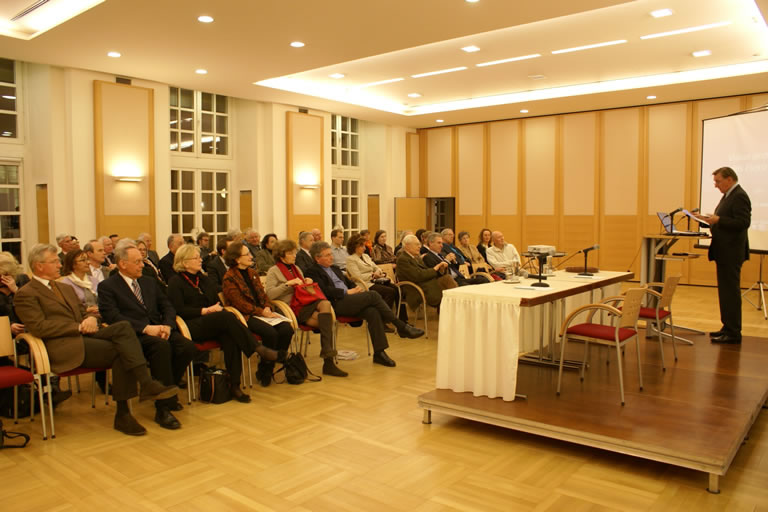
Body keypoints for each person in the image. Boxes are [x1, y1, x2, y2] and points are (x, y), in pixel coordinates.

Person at [15, 244, 178, 436]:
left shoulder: (63, 287)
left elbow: (83, 312)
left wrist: (90, 318)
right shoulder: (26, 293)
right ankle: (131, 403)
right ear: (39, 266)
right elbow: (39, 327)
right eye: (54, 261)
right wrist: (78, 327)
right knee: (121, 351)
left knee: (124, 328)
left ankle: (141, 391)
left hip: (85, 335)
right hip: (61, 345)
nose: (60, 264)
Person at [98, 241, 196, 429]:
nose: (142, 265)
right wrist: (145, 328)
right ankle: (163, 408)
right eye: (137, 262)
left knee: (187, 347)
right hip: (134, 335)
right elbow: (112, 317)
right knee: (161, 347)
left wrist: (168, 325)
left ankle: (168, 389)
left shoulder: (149, 281)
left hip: (160, 329)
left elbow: (167, 305)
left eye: (142, 261)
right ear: (122, 264)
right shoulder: (108, 286)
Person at [167, 244, 281, 402]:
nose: (201, 260)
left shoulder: (204, 279)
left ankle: (234, 385)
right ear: (185, 262)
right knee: (226, 317)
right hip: (190, 325)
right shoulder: (175, 282)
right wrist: (204, 311)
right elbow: (178, 310)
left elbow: (216, 303)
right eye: (196, 258)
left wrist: (213, 309)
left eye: (199, 257)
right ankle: (257, 348)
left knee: (231, 336)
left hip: (213, 322)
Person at [304, 242, 425, 368]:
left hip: (349, 299)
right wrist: (346, 292)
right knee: (373, 295)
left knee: (372, 312)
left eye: (331, 254)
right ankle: (400, 326)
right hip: (334, 303)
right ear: (317, 258)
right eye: (327, 255)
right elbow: (323, 290)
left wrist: (355, 288)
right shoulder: (312, 271)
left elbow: (349, 282)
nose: (331, 257)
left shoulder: (334, 268)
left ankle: (379, 353)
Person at [264, 240, 348, 377]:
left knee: (325, 304)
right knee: (326, 323)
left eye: (294, 252)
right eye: (291, 253)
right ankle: (328, 362)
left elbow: (303, 290)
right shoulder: (274, 271)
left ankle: (328, 359)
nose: (294, 255)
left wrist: (307, 283)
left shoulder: (296, 268)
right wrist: (287, 284)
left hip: (303, 302)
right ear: (281, 255)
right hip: (290, 307)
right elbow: (270, 294)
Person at [222, 241, 295, 387]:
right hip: (245, 316)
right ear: (237, 259)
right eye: (247, 254)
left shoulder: (252, 273)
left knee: (287, 329)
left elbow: (263, 295)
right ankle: (266, 370)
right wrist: (262, 312)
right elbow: (239, 303)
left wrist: (267, 308)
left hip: (262, 312)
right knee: (270, 333)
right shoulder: (229, 277)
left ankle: (267, 366)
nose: (251, 256)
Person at [700, 166, 751, 344]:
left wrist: (718, 220)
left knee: (730, 293)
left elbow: (743, 223)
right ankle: (727, 327)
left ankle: (733, 332)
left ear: (729, 179)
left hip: (731, 252)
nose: (716, 185)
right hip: (724, 251)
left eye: (718, 181)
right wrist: (707, 221)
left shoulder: (739, 196)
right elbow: (725, 221)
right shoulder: (729, 195)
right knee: (725, 292)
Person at [345, 234, 406, 324]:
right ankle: (382, 321)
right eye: (362, 246)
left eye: (364, 245)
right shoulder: (350, 259)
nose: (364, 248)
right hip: (364, 284)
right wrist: (372, 275)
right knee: (389, 292)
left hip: (375, 281)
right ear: (355, 247)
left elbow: (376, 267)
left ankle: (402, 319)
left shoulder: (365, 256)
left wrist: (377, 272)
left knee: (396, 289)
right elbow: (357, 277)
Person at [395, 234, 456, 310]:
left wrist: (440, 269)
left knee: (447, 279)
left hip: (425, 284)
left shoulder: (416, 257)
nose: (419, 246)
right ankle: (456, 306)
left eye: (419, 244)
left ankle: (455, 305)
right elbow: (417, 275)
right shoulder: (403, 259)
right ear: (407, 246)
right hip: (416, 289)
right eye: (417, 244)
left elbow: (425, 271)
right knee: (447, 284)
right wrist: (435, 269)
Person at [423, 232, 488, 286]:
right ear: (431, 243)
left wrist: (454, 261)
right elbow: (438, 274)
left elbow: (455, 267)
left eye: (442, 243)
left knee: (484, 280)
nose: (441, 245)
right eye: (439, 243)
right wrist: (447, 260)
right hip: (449, 282)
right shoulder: (428, 257)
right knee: (468, 286)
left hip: (459, 277)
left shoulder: (441, 255)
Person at [58, 249, 100, 316]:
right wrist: (87, 310)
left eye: (87, 259)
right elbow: (68, 308)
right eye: (83, 260)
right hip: (80, 317)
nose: (88, 262)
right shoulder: (65, 283)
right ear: (72, 264)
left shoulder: (94, 280)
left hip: (100, 314)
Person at [0, 251, 29, 337]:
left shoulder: (23, 280)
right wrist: (8, 326)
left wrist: (16, 290)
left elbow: (35, 303)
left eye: (5, 275)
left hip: (28, 328)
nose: (2, 278)